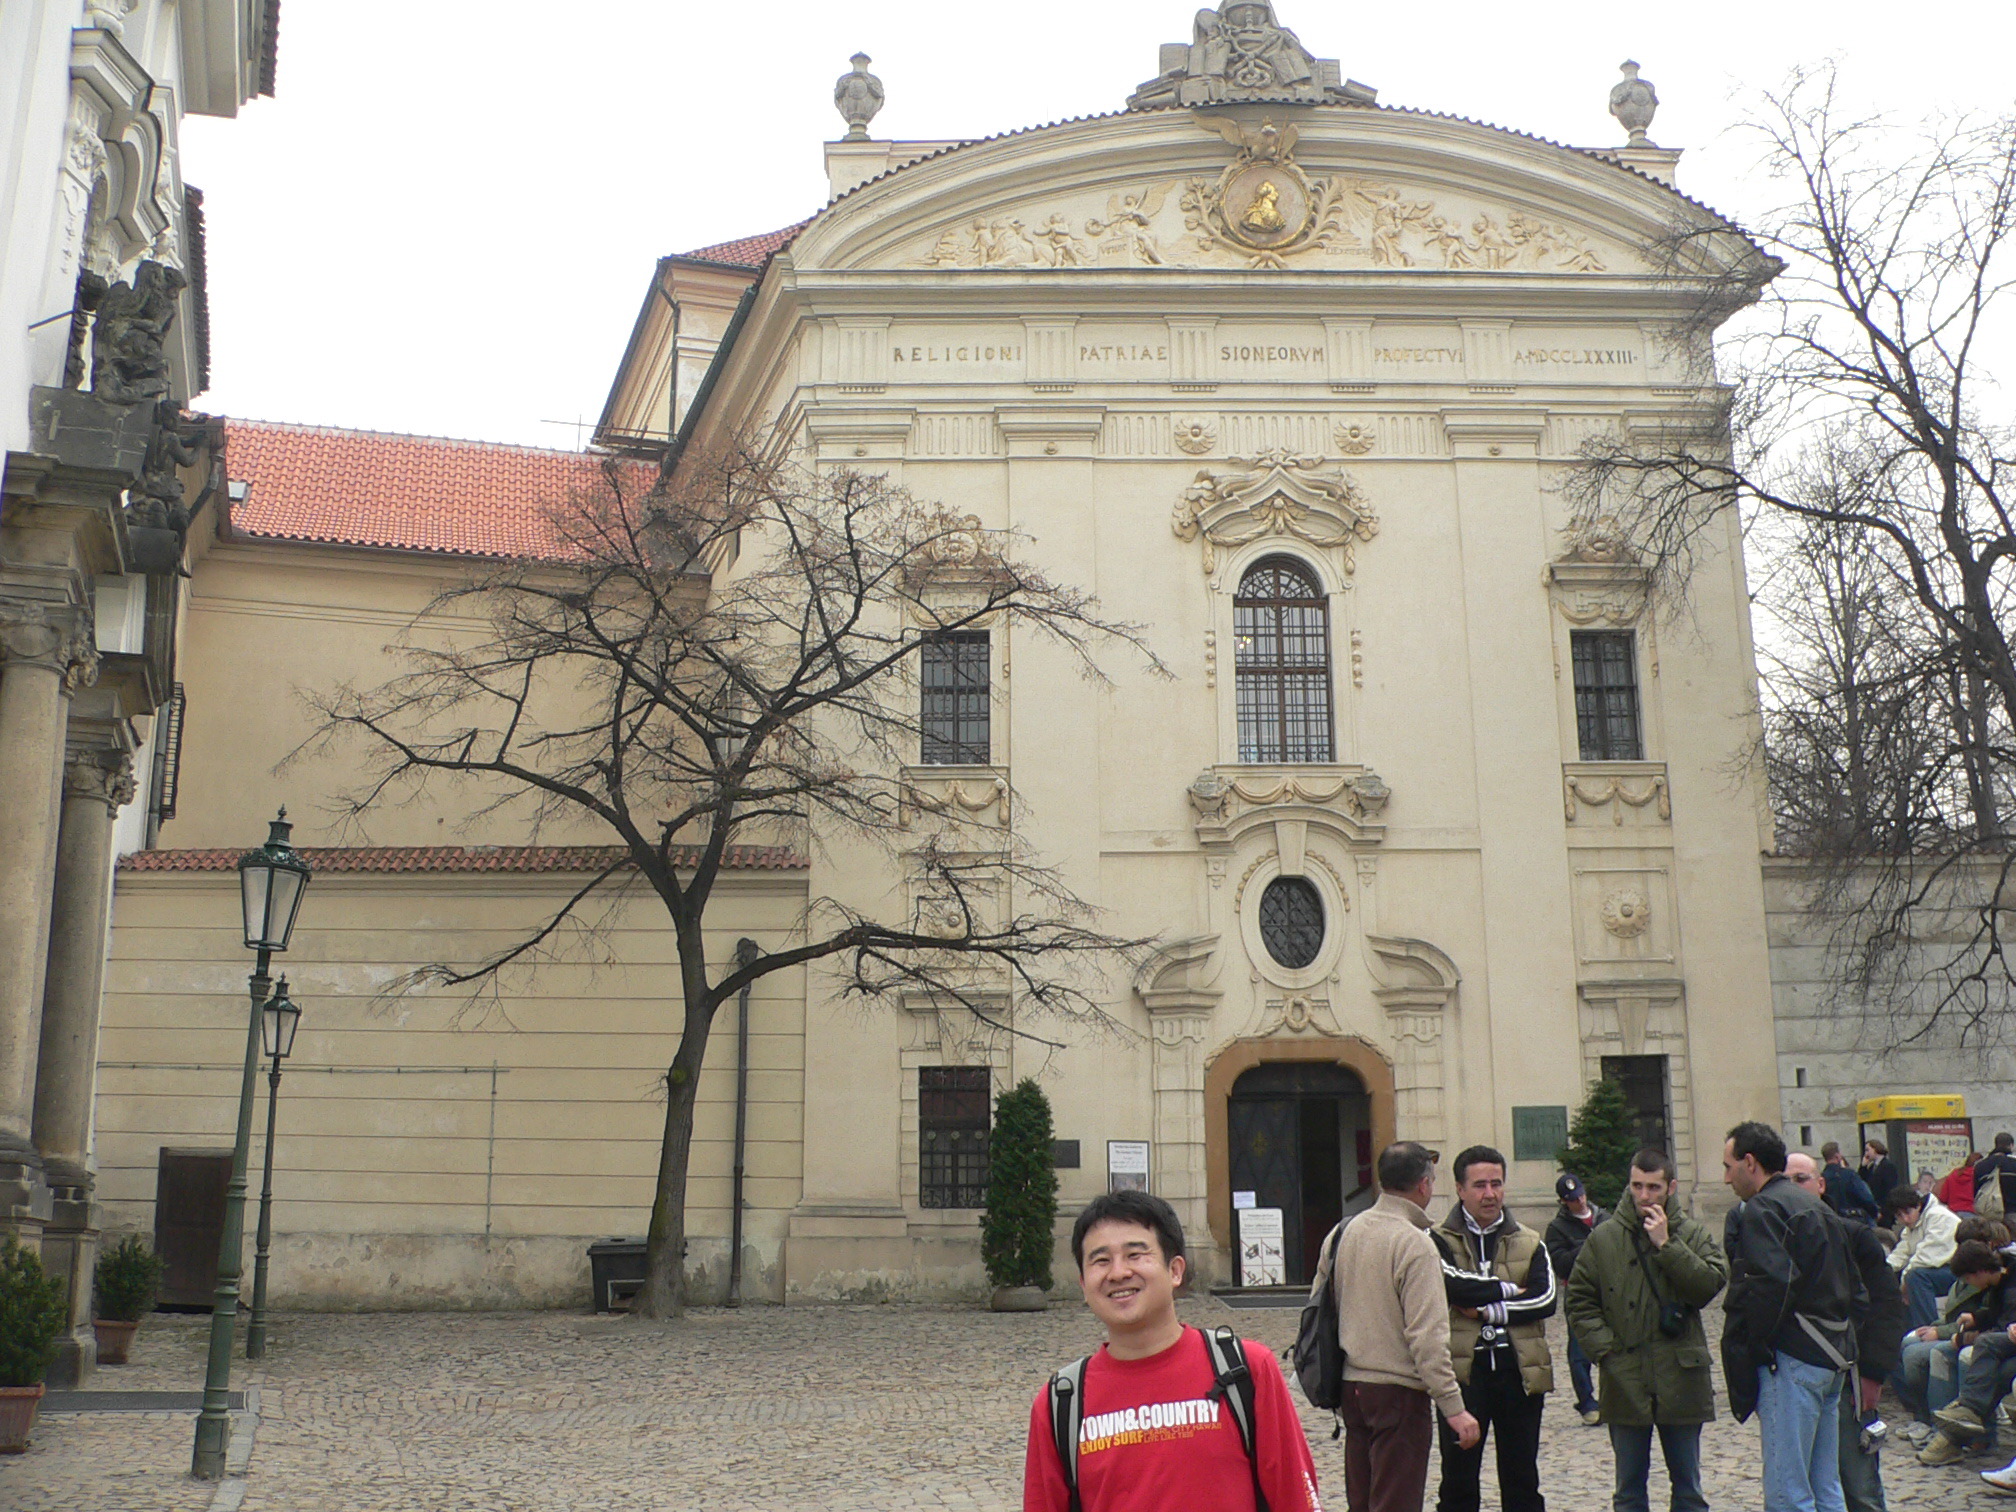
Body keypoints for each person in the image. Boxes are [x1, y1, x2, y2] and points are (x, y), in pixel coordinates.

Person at [1022, 1190, 1322, 1512]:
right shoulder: (1060, 1404)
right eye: (1101, 1260)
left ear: (1175, 1270)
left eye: (1135, 1255)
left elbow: (1295, 1500)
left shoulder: (1246, 1371)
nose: (1118, 1272)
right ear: (1083, 1283)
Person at [1565, 1148, 1728, 1512]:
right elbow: (1579, 1300)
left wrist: (1667, 1245)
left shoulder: (1691, 1233)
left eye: (1653, 1187)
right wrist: (1606, 1351)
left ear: (1670, 1187)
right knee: (1628, 1491)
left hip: (1681, 1375)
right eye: (1637, 1186)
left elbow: (1709, 1285)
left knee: (1688, 1488)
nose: (1643, 1196)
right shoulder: (1604, 1238)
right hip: (1625, 1377)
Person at [1332, 1142, 1482, 1512]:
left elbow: (1321, 1308)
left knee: (1362, 1503)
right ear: (1424, 1186)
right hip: (1398, 1392)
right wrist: (1453, 1407)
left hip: (1352, 1388)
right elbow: (1428, 1337)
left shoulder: (1344, 1232)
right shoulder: (1415, 1244)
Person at [1722, 1120, 1862, 1512]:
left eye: (1728, 1166)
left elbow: (1771, 1286)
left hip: (1794, 1358)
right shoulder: (1813, 1205)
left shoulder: (1765, 1208)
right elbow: (1853, 1285)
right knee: (1825, 1486)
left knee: (1788, 1492)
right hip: (1832, 1355)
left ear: (1750, 1163)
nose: (1726, 1177)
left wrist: (1757, 1344)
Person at [1431, 1145, 1556, 1512]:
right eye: (1480, 1185)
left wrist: (1486, 1312)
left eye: (1497, 1184)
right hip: (1464, 1373)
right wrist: (1507, 1293)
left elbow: (1544, 1300)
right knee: (1457, 1480)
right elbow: (1450, 1286)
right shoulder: (1437, 1240)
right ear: (1460, 1188)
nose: (1490, 1194)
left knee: (1521, 1478)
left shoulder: (1530, 1240)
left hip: (1519, 1372)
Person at [1789, 1153, 1903, 1512]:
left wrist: (1873, 1371)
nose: (1794, 1188)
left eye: (1801, 1179)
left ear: (1820, 1184)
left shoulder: (1855, 1236)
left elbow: (1886, 1305)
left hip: (1850, 1374)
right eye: (1785, 1180)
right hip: (1799, 1375)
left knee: (1859, 1485)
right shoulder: (1777, 1237)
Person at [1920, 1240, 2016, 1465]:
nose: (1968, 1284)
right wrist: (1976, 1318)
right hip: (2005, 1344)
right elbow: (1999, 1316)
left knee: (1982, 1353)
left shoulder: (2010, 1285)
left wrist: (1964, 1337)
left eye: (1968, 1278)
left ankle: (1962, 1426)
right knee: (1985, 1365)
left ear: (1980, 1271)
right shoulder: (2000, 1282)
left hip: (2004, 1343)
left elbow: (2007, 1326)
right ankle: (1958, 1425)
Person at [1544, 1173, 1608, 1427]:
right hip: (1578, 1292)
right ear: (1564, 1202)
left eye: (1581, 1195)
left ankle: (1614, 1398)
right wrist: (1587, 1245)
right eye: (1573, 1199)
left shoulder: (1604, 1219)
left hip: (1608, 1289)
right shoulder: (1557, 1229)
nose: (1580, 1201)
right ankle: (1587, 1402)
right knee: (1579, 1350)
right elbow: (1560, 1264)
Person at [1888, 1185, 1961, 1330]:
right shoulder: (1914, 1225)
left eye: (1907, 1212)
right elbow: (1901, 1253)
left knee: (1915, 1277)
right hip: (1940, 1271)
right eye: (1899, 1215)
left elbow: (1925, 1258)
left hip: (1960, 1272)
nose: (1905, 1219)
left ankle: (1927, 1328)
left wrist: (1904, 1283)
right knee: (1896, 1278)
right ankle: (1906, 1331)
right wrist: (1881, 1271)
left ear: (1918, 1205)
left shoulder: (1939, 1217)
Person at [1818, 1143, 1879, 1225]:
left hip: (1833, 1222)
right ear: (1837, 1156)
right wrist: (1875, 1212)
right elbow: (1866, 1197)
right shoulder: (1849, 1175)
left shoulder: (1821, 1178)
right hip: (1854, 1220)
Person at [1859, 1142, 1899, 1221]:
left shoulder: (1888, 1166)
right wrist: (1863, 1167)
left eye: (1868, 1150)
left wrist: (1883, 1211)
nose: (1866, 1154)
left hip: (1884, 1210)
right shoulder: (1871, 1167)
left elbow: (1889, 1190)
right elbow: (1862, 1182)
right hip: (1875, 1208)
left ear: (1875, 1149)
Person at [1978, 1133, 2016, 1215]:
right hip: (2012, 1211)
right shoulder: (2014, 1164)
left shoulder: (1980, 1165)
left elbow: (1976, 1191)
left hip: (1988, 1213)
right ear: (2011, 1145)